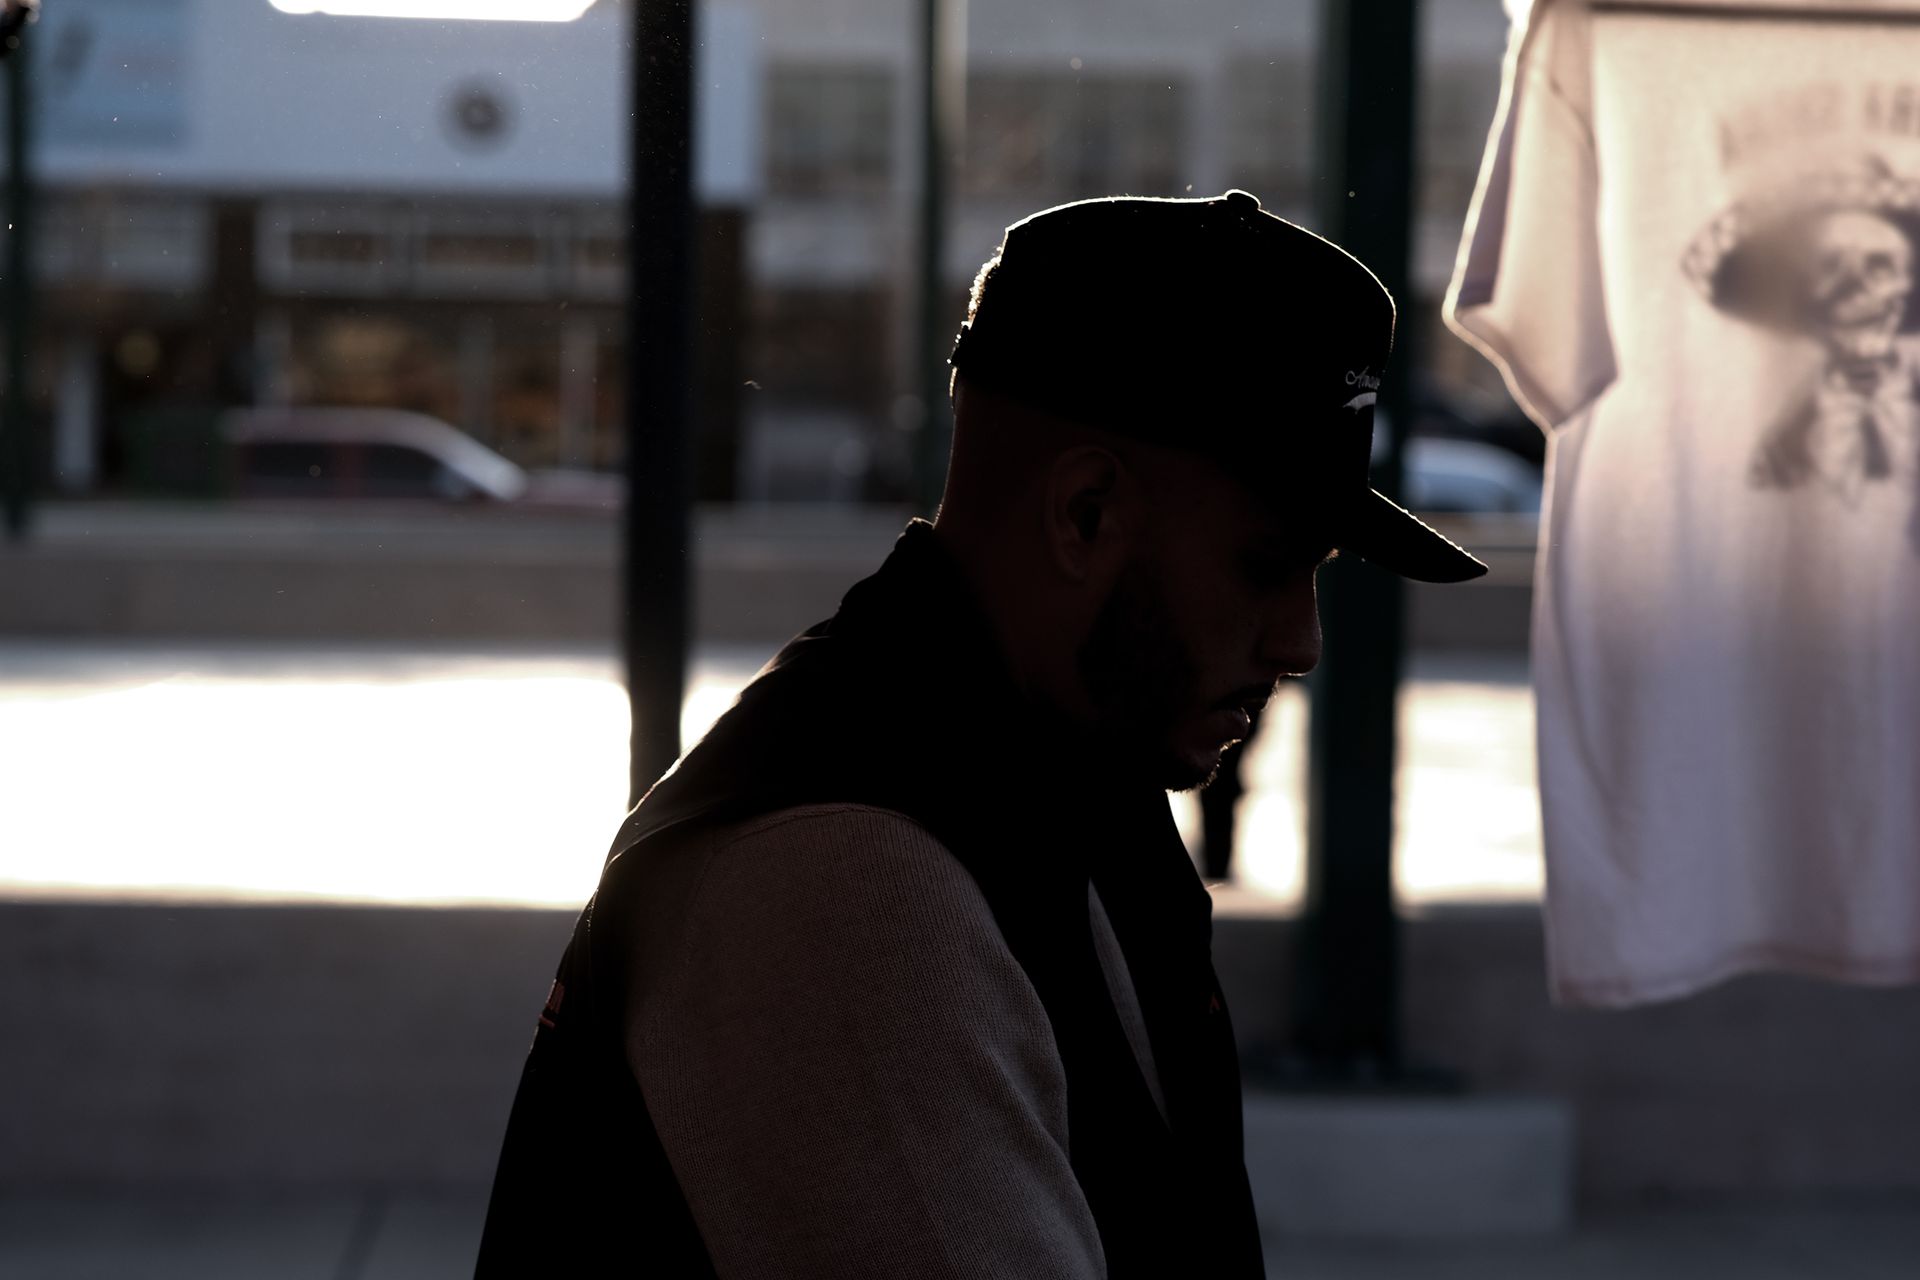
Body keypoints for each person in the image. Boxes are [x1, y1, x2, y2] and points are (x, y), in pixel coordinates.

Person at [473, 189, 1486, 1278]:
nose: (1301, 642)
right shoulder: (849, 880)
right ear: (1086, 512)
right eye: (1266, 566)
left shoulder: (1062, 772)